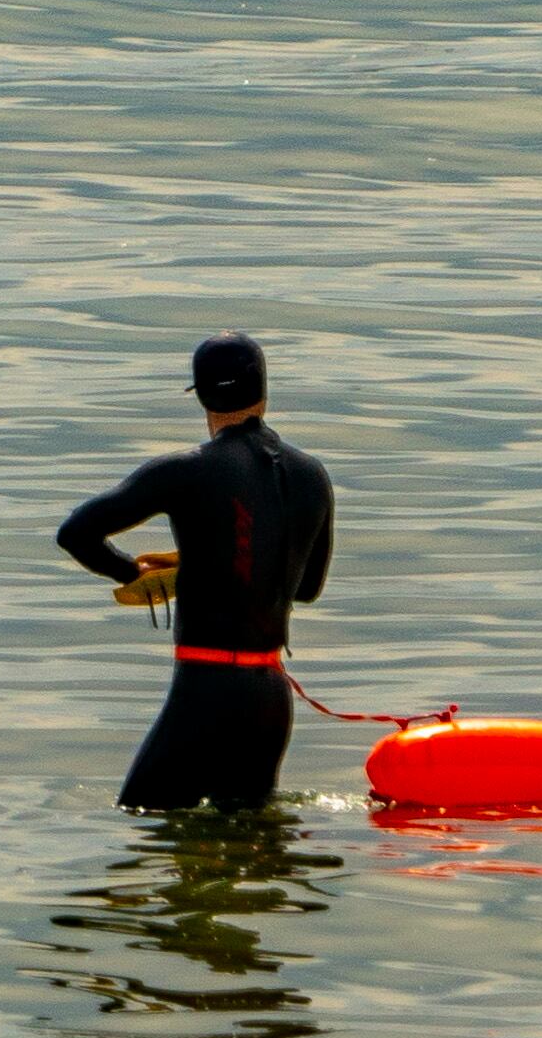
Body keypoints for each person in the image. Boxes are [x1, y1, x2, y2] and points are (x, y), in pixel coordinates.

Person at [57, 333, 336, 810]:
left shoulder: (187, 471)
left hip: (205, 692)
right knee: (252, 847)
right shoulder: (312, 475)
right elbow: (306, 589)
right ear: (263, 392)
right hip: (269, 698)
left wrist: (132, 574)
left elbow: (76, 534)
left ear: (203, 397)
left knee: (140, 821)